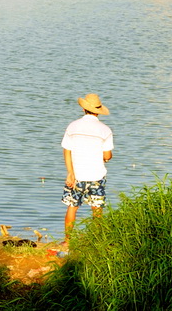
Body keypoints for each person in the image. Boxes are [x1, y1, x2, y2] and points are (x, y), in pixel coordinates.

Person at [61, 93, 113, 243]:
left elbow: (67, 150)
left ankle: (68, 241)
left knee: (72, 207)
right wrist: (105, 157)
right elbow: (107, 156)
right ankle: (96, 241)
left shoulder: (73, 126)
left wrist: (70, 173)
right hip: (96, 175)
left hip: (76, 175)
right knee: (97, 209)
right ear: (98, 111)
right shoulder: (105, 130)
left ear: (84, 109)